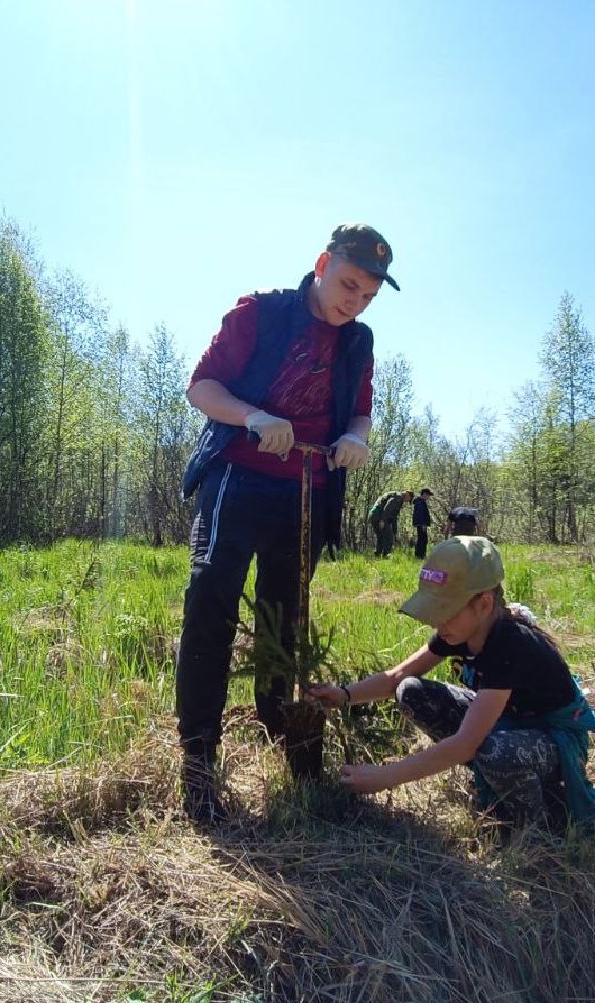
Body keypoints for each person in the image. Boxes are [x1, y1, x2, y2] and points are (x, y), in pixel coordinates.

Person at [176, 224, 396, 823]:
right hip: (237, 477)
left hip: (307, 489)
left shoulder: (359, 342)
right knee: (211, 603)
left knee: (285, 616)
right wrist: (254, 416)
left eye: (368, 296)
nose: (355, 302)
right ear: (323, 264)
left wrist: (354, 437)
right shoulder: (260, 313)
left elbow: (360, 414)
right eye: (349, 285)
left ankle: (286, 734)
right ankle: (198, 760)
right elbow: (202, 388)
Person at [309, 537, 595, 832]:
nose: (438, 623)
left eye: (446, 612)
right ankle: (498, 781)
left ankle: (536, 824)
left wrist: (386, 776)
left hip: (553, 736)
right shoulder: (460, 631)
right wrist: (344, 695)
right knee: (411, 692)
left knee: (492, 751)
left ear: (484, 604)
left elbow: (466, 744)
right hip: (507, 722)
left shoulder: (512, 645)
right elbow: (397, 677)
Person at [370, 489, 413, 556]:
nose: (407, 501)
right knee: (389, 537)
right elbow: (387, 507)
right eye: (409, 499)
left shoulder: (394, 494)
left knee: (380, 536)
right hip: (379, 516)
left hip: (373, 514)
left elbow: (393, 517)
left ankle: (377, 555)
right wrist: (382, 520)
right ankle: (386, 555)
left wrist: (394, 530)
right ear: (407, 494)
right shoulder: (398, 497)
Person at [412, 488, 434, 558]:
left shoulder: (420, 501)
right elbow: (421, 514)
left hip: (420, 524)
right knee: (423, 539)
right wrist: (424, 524)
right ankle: (421, 555)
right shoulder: (420, 502)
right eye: (428, 495)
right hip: (421, 524)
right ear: (424, 494)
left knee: (422, 539)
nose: (428, 497)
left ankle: (419, 555)